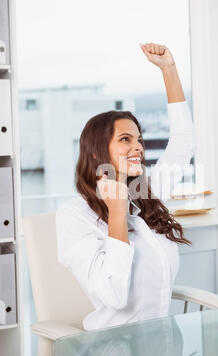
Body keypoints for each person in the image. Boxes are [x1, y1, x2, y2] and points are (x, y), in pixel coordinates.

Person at [56, 42, 196, 331]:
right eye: (125, 140)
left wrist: (169, 70)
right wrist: (116, 211)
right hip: (113, 353)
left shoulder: (144, 195)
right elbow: (114, 295)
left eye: (139, 140)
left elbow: (183, 143)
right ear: (96, 152)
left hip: (163, 343)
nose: (138, 148)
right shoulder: (74, 215)